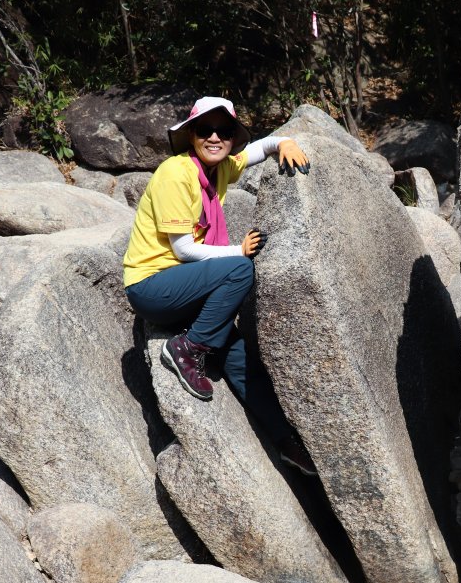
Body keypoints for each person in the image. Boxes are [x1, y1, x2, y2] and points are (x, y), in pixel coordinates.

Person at [122, 95, 317, 475]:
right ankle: (187, 348)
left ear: (231, 138)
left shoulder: (220, 169)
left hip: (187, 290)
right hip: (152, 285)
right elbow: (182, 249)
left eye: (224, 131)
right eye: (205, 130)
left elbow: (259, 149)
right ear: (192, 135)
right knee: (240, 270)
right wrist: (236, 251)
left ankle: (285, 443)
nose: (215, 137)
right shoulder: (176, 174)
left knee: (239, 355)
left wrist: (285, 142)